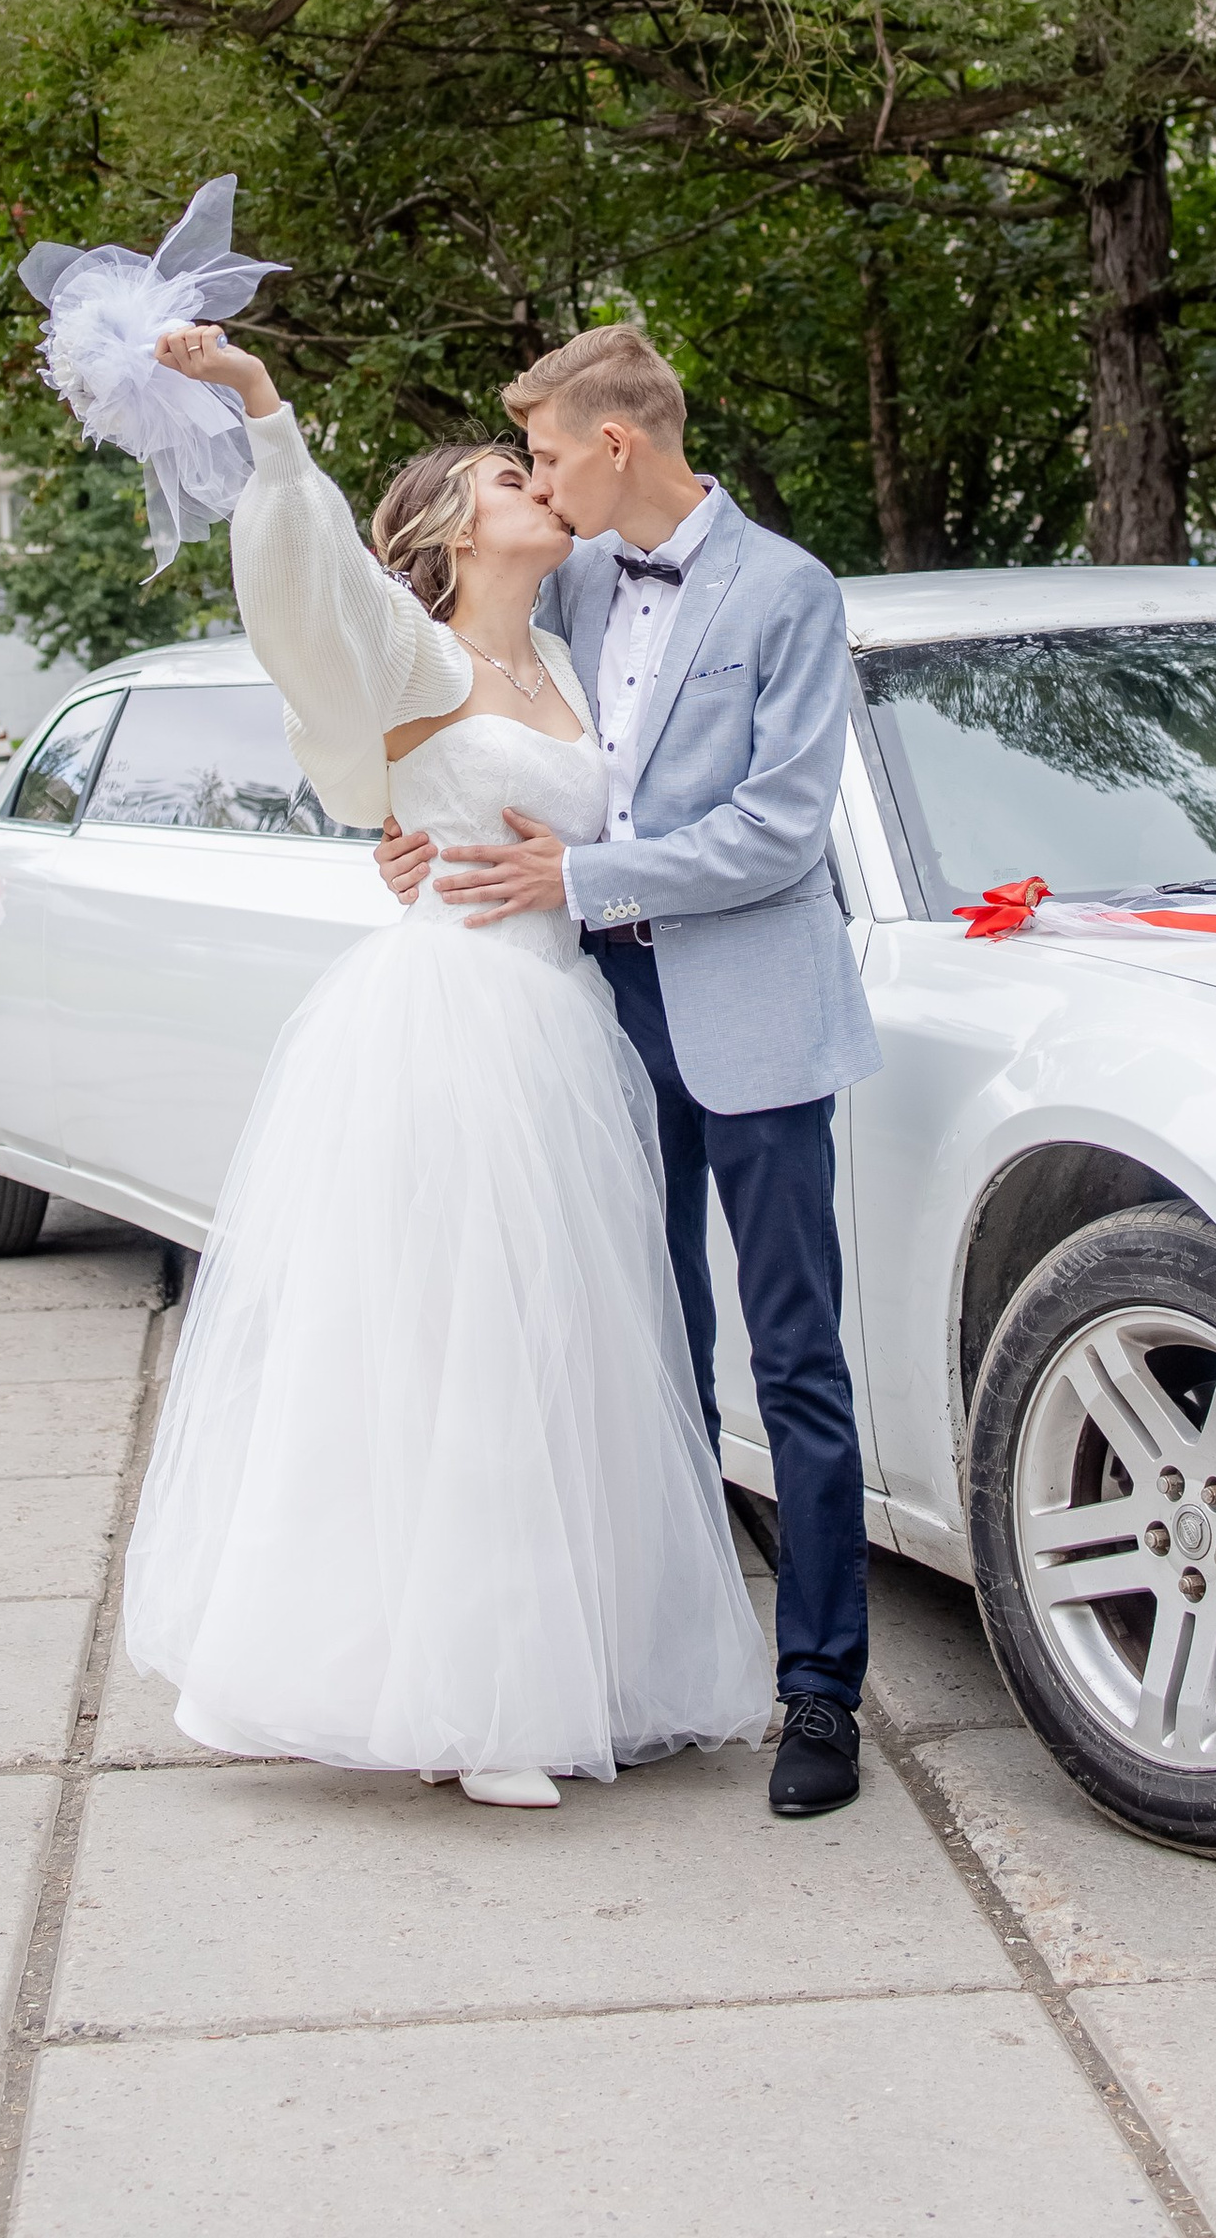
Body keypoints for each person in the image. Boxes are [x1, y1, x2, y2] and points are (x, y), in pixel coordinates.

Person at [120, 320, 770, 1808]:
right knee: (457, 1355)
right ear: (447, 525)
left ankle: (569, 1662)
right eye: (505, 470)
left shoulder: (564, 649)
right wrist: (262, 406)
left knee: (567, 1359)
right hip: (449, 1027)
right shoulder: (409, 650)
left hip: (564, 1027)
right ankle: (475, 1706)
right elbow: (305, 585)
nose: (537, 481)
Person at [376, 321, 878, 1819]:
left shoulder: (789, 591)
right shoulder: (571, 578)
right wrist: (405, 829)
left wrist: (577, 875)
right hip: (597, 1019)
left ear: (613, 445)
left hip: (755, 1013)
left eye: (537, 452)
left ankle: (820, 1690)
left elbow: (783, 831)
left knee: (795, 1357)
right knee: (641, 1345)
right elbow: (455, 697)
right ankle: (656, 1655)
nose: (526, 476)